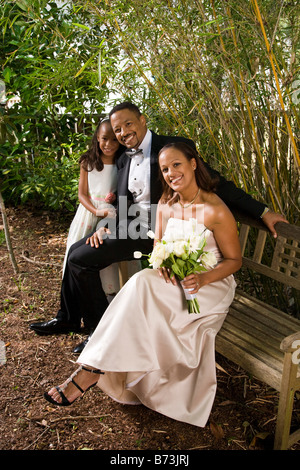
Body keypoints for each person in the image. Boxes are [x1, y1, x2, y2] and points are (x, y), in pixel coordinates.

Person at [30, 101, 287, 353]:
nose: (122, 133)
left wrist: (262, 211)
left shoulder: (173, 147)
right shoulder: (123, 157)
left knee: (81, 259)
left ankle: (99, 332)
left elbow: (217, 183)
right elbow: (123, 201)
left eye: (128, 124)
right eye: (117, 129)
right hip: (132, 223)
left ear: (143, 120)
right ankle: (68, 317)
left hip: (161, 230)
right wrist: (106, 226)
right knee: (76, 251)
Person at [43, 142, 242, 430]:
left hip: (208, 285)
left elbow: (234, 261)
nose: (171, 172)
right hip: (172, 280)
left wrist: (200, 278)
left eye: (177, 164)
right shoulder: (166, 204)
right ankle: (93, 368)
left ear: (194, 164)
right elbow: (159, 244)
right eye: (165, 169)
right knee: (143, 284)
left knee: (140, 285)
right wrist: (163, 261)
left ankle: (90, 371)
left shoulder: (215, 210)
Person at [62, 118, 120, 297]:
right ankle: (77, 295)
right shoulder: (88, 161)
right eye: (104, 139)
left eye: (114, 139)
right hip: (90, 213)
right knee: (78, 251)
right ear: (97, 138)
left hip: (110, 215)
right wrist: (96, 211)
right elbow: (82, 194)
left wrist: (115, 197)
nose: (108, 144)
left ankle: (106, 297)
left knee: (105, 257)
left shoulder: (122, 162)